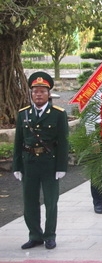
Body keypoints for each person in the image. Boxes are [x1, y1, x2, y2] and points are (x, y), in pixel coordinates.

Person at [12, 72, 69, 250]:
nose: (38, 94)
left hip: (49, 163)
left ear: (48, 94)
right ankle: (35, 235)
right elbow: (18, 141)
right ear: (31, 93)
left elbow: (63, 142)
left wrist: (61, 166)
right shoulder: (23, 114)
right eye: (35, 91)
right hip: (29, 163)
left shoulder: (58, 114)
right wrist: (17, 166)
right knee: (29, 202)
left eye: (42, 91)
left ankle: (50, 235)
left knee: (51, 202)